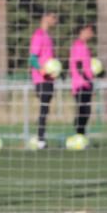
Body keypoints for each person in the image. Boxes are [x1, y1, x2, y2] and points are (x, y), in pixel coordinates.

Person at [29, 11, 60, 149]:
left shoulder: (48, 37)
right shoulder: (38, 35)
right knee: (43, 108)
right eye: (53, 17)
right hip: (40, 79)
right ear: (45, 17)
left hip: (49, 79)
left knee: (45, 109)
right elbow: (33, 58)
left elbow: (50, 61)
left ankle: (41, 137)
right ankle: (40, 139)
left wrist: (56, 72)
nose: (56, 19)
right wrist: (42, 70)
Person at [69, 23, 97, 138]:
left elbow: (87, 66)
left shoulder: (86, 47)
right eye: (89, 31)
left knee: (86, 111)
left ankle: (81, 135)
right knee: (83, 110)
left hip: (87, 84)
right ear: (82, 31)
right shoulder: (77, 45)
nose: (91, 33)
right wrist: (85, 77)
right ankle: (79, 135)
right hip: (80, 84)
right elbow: (77, 64)